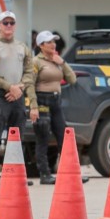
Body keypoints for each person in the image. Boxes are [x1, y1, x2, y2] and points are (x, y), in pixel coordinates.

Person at [0, 11, 35, 183]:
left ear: (15, 25)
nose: (8, 26)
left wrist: (19, 87)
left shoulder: (23, 47)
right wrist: (9, 87)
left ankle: (15, 174)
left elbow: (29, 72)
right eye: (5, 23)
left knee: (17, 137)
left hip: (18, 96)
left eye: (11, 23)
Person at [28, 30, 76, 184]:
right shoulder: (36, 62)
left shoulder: (56, 60)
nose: (53, 44)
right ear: (41, 45)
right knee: (43, 137)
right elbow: (29, 84)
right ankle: (44, 174)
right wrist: (33, 106)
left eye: (54, 41)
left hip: (56, 101)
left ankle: (69, 173)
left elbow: (72, 79)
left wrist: (62, 62)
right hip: (42, 100)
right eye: (49, 42)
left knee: (65, 136)